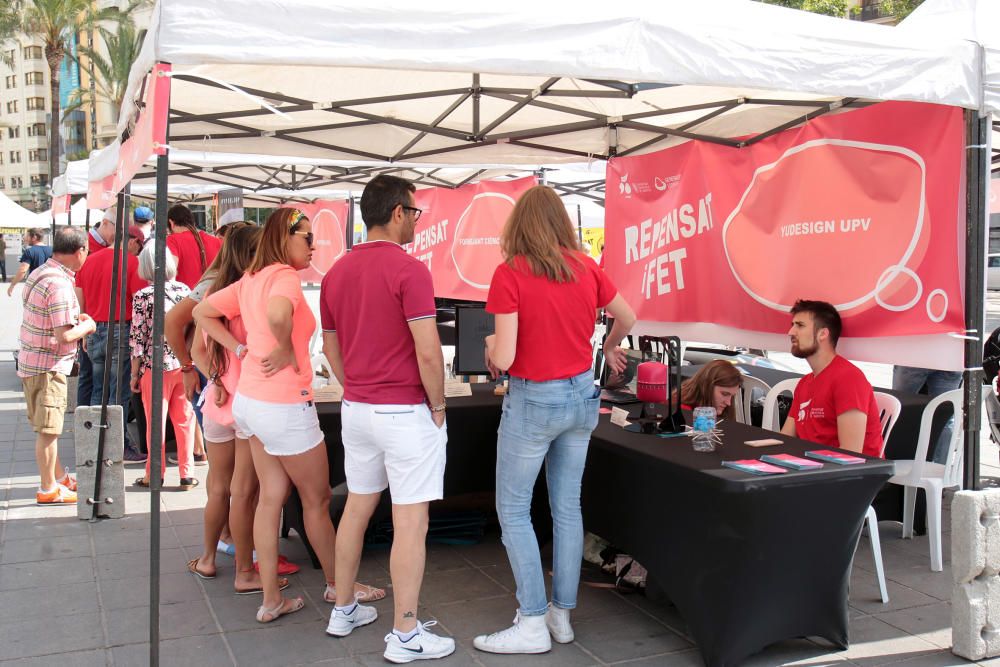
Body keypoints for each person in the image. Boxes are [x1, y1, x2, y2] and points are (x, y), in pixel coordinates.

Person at [195, 208, 382, 625]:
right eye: (306, 237)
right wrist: (282, 346)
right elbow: (278, 314)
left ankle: (270, 601)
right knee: (315, 501)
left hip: (252, 403)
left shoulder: (251, 278)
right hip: (283, 405)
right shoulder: (282, 276)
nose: (312, 245)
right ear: (285, 238)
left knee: (270, 499)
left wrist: (243, 349)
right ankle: (339, 587)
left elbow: (202, 312)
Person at [472, 185, 635, 655]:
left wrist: (487, 347)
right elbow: (628, 315)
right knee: (567, 506)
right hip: (582, 395)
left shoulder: (510, 273)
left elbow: (503, 355)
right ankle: (562, 616)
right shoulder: (587, 268)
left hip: (534, 400)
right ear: (562, 223)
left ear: (518, 226)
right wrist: (607, 344)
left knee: (514, 509)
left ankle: (532, 620)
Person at [320, 175, 453, 661]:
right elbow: (428, 351)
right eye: (415, 212)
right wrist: (438, 407)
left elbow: (330, 343)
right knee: (410, 520)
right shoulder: (410, 270)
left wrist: (352, 381)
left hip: (357, 407)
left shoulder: (335, 272)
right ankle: (405, 633)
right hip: (403, 411)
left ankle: (345, 605)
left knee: (358, 506)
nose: (416, 220)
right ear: (398, 212)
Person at [188, 224, 282, 591]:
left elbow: (197, 349)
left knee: (217, 488)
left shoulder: (213, 293)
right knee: (246, 492)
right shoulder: (255, 295)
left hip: (217, 401)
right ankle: (245, 571)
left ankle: (208, 559)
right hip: (250, 403)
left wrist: (215, 380)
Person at [17, 226, 95, 504]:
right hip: (47, 365)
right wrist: (87, 326)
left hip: (32, 360)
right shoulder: (60, 284)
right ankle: (48, 488)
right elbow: (63, 337)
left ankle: (59, 477)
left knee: (46, 428)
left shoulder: (40, 273)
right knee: (49, 431)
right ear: (80, 251)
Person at [75, 225, 148, 463]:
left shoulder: (89, 261)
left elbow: (79, 299)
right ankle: (119, 445)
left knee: (99, 389)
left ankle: (98, 442)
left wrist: (84, 332)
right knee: (119, 392)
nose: (140, 249)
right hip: (120, 328)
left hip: (94, 328)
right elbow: (139, 303)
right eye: (140, 244)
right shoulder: (132, 263)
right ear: (132, 241)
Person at [129, 245, 197, 489]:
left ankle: (153, 473)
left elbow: (138, 340)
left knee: (154, 422)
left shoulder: (143, 297)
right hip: (183, 362)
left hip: (154, 366)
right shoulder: (185, 291)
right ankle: (186, 473)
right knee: (185, 419)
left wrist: (134, 374)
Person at [780, 299, 883, 457]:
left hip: (852, 476)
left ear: (823, 333)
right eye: (792, 325)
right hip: (814, 469)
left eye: (800, 325)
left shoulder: (849, 378)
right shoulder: (804, 383)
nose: (791, 332)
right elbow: (784, 440)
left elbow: (850, 454)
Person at [892, 366, 961, 463]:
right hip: (950, 360)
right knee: (945, 419)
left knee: (900, 411)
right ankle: (939, 469)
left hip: (914, 358)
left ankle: (898, 464)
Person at [166, 204, 222, 289]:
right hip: (213, 297)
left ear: (171, 223)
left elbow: (169, 272)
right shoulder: (216, 241)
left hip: (184, 298)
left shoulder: (172, 240)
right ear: (192, 222)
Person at [678, 360, 743, 419]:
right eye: (724, 394)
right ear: (706, 386)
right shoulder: (682, 412)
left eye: (732, 396)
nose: (728, 403)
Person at [7, 228, 52, 296]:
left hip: (36, 287)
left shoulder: (30, 251)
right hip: (51, 286)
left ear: (34, 237)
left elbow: (23, 271)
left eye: (27, 236)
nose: (25, 238)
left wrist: (12, 285)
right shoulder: (52, 250)